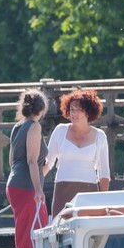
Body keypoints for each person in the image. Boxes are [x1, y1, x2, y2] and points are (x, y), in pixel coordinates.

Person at [5, 90, 48, 248]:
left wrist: (43, 171)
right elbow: (31, 161)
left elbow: (12, 161)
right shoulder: (34, 126)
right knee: (30, 237)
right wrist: (38, 189)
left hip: (15, 184)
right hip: (27, 187)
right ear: (41, 109)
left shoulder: (17, 127)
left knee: (31, 235)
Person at [43, 88, 111, 216]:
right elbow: (47, 163)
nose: (74, 113)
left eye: (78, 110)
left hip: (89, 192)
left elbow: (104, 174)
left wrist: (103, 202)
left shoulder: (100, 136)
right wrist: (33, 185)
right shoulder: (60, 131)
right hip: (63, 190)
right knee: (60, 226)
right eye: (72, 109)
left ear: (88, 112)